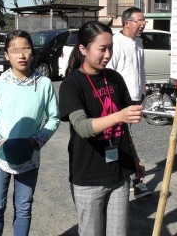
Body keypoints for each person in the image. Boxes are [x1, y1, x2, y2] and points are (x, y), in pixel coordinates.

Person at [59, 21, 145, 236]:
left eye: (111, 48)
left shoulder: (114, 78)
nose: (107, 55)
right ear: (83, 49)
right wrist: (119, 115)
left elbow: (124, 128)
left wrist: (135, 157)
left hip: (119, 172)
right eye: (102, 49)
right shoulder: (72, 84)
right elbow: (82, 127)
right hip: (88, 175)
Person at [0, 30, 61, 236]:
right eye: (15, 50)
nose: (21, 55)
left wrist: (36, 141)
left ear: (32, 52)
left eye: (26, 48)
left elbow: (54, 117)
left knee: (24, 207)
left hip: (29, 156)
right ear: (6, 55)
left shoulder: (43, 84)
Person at [106, 7, 152, 198]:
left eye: (144, 21)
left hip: (135, 98)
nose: (142, 25)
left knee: (125, 138)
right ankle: (133, 180)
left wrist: (143, 87)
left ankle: (128, 177)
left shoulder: (138, 42)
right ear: (127, 23)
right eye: (139, 21)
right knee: (121, 138)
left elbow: (139, 69)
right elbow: (109, 72)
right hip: (119, 100)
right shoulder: (115, 43)